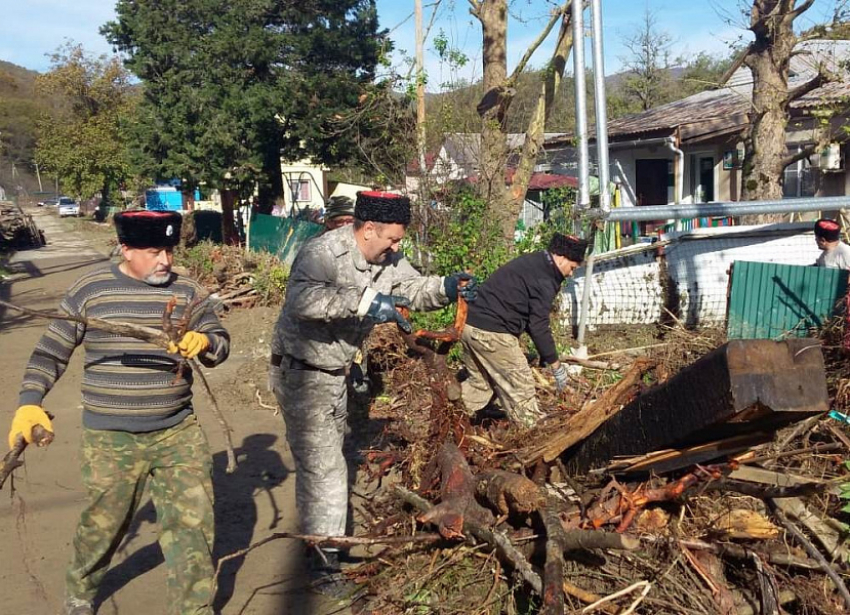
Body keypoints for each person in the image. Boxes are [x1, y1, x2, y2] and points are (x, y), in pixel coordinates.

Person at [7, 210, 230, 615]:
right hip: (111, 438)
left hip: (177, 430)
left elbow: (221, 343)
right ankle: (80, 593)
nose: (165, 260)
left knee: (192, 525)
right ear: (125, 249)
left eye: (169, 250)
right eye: (153, 251)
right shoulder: (91, 290)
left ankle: (193, 608)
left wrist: (203, 342)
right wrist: (28, 403)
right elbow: (50, 351)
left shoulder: (188, 291)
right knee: (103, 525)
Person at [269, 191, 476, 596]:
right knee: (324, 468)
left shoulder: (387, 258)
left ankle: (325, 545)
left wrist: (447, 287)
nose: (397, 248)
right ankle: (324, 560)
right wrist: (365, 301)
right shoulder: (322, 253)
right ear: (366, 230)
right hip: (303, 375)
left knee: (330, 462)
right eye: (392, 240)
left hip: (335, 374)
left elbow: (414, 287)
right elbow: (302, 300)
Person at [459, 233, 588, 427]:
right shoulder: (546, 278)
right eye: (572, 267)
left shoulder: (534, 262)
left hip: (469, 326)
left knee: (480, 384)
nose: (571, 274)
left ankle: (452, 420)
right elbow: (538, 325)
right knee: (522, 387)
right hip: (493, 333)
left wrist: (545, 355)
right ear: (561, 257)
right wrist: (556, 366)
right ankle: (532, 438)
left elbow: (528, 317)